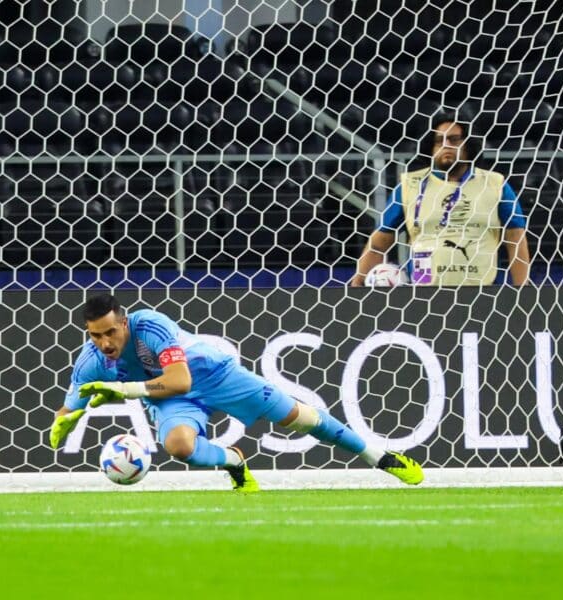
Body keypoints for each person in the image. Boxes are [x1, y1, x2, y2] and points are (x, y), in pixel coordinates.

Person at [49, 294, 424, 491]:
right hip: (170, 400)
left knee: (299, 419)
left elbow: (180, 378)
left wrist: (122, 390)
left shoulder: (151, 325)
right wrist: (61, 426)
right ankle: (234, 461)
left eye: (110, 332)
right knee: (179, 448)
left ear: (124, 321)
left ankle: (379, 457)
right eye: (95, 335)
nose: (105, 342)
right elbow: (68, 408)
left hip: (213, 375)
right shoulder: (91, 362)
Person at [352, 113, 531, 287]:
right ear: (431, 148)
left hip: (483, 292)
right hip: (424, 296)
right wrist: (357, 284)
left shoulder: (495, 184)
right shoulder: (409, 186)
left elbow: (515, 238)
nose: (446, 145)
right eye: (439, 141)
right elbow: (379, 243)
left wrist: (522, 288)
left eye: (453, 139)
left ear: (468, 144)